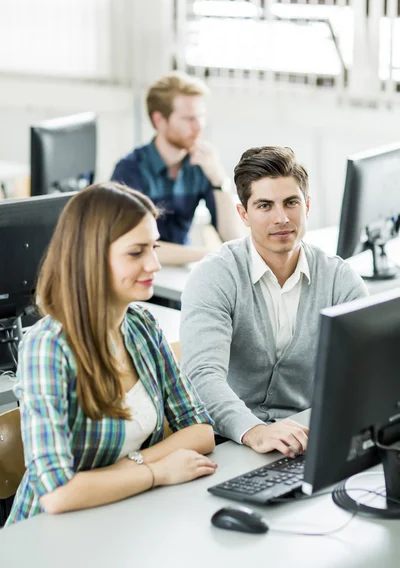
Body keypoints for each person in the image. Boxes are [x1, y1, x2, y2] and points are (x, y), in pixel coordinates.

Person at [6, 182, 216, 525]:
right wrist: (157, 471)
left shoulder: (142, 326)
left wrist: (130, 466)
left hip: (128, 516)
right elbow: (59, 494)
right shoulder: (48, 346)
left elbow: (200, 431)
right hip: (50, 534)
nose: (154, 265)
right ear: (90, 257)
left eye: (154, 248)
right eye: (136, 252)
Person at [180, 146, 369, 455]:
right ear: (243, 214)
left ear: (307, 206)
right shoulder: (215, 276)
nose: (281, 218)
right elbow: (202, 377)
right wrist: (255, 431)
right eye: (265, 206)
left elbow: (369, 367)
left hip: (303, 438)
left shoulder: (338, 279)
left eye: (291, 203)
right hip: (230, 440)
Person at [111, 71, 243, 265]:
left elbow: (233, 237)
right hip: (141, 272)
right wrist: (208, 254)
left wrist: (219, 179)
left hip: (180, 271)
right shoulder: (130, 171)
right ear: (159, 121)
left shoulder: (200, 165)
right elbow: (136, 245)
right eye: (189, 119)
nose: (199, 127)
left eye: (201, 117)